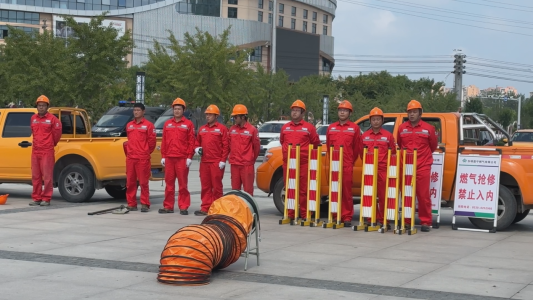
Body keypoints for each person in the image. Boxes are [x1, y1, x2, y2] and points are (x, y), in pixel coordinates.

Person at [397, 100, 438, 232]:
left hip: (423, 166)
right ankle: (407, 221)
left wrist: (423, 158)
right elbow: (399, 143)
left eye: (415, 112)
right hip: (407, 165)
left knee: (423, 195)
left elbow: (433, 146)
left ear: (420, 113)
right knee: (407, 195)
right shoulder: (402, 128)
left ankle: (426, 222)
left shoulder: (429, 128)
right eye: (410, 112)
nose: (412, 114)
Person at [280, 100, 320, 220]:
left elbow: (316, 143)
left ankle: (305, 214)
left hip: (304, 163)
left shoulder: (309, 128)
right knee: (290, 188)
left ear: (302, 113)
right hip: (289, 163)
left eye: (297, 111)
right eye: (293, 110)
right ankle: (290, 214)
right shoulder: (285, 127)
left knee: (304, 190)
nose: (294, 113)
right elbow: (282, 141)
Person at [326, 100, 362, 227]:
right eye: (340, 110)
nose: (342, 112)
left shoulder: (354, 128)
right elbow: (329, 146)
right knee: (335, 190)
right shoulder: (331, 128)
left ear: (349, 113)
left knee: (347, 192)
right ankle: (335, 215)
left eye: (345, 110)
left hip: (347, 164)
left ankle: (346, 216)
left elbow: (357, 148)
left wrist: (350, 162)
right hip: (334, 164)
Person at [360, 107, 396, 227]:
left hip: (383, 169)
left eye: (378, 119)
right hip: (369, 169)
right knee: (369, 194)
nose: (376, 121)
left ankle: (383, 220)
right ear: (370, 121)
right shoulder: (364, 136)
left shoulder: (388, 136)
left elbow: (393, 152)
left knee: (383, 195)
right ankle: (371, 218)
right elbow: (361, 153)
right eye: (373, 119)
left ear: (382, 121)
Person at [159, 98, 196, 215]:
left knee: (183, 185)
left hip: (182, 158)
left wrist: (190, 156)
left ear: (183, 110)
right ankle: (168, 206)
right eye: (175, 109)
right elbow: (164, 141)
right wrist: (163, 156)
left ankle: (183, 206)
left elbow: (191, 142)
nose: (177, 111)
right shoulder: (167, 124)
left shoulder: (188, 124)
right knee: (169, 184)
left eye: (179, 109)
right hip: (169, 158)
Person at [194, 105, 230, 216]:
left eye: (210, 114)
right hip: (204, 162)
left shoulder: (222, 129)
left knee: (217, 187)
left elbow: (226, 146)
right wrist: (196, 148)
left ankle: (217, 209)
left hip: (216, 162)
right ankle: (205, 207)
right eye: (207, 114)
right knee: (205, 186)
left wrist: (223, 160)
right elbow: (197, 142)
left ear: (216, 116)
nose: (208, 116)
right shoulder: (202, 129)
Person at [29, 95, 62, 207]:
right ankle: (36, 198)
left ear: (47, 107)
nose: (41, 107)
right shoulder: (33, 118)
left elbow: (57, 135)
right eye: (39, 105)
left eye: (43, 106)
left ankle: (46, 198)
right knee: (35, 176)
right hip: (35, 151)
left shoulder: (53, 120)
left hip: (47, 151)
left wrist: (50, 144)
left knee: (47, 176)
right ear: (37, 106)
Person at [125, 103, 156, 212]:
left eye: (138, 110)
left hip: (142, 158)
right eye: (135, 110)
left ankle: (145, 203)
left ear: (143, 112)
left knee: (143, 182)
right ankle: (131, 203)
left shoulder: (149, 125)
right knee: (130, 182)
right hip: (131, 158)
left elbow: (152, 143)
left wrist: (145, 152)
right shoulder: (129, 125)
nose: (136, 112)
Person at [228, 104, 260, 195]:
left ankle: (248, 209)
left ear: (243, 117)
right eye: (234, 116)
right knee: (235, 191)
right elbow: (229, 144)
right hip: (235, 164)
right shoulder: (232, 129)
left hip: (246, 165)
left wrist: (251, 159)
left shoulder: (252, 130)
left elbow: (256, 147)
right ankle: (236, 209)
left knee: (248, 191)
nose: (234, 118)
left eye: (236, 116)